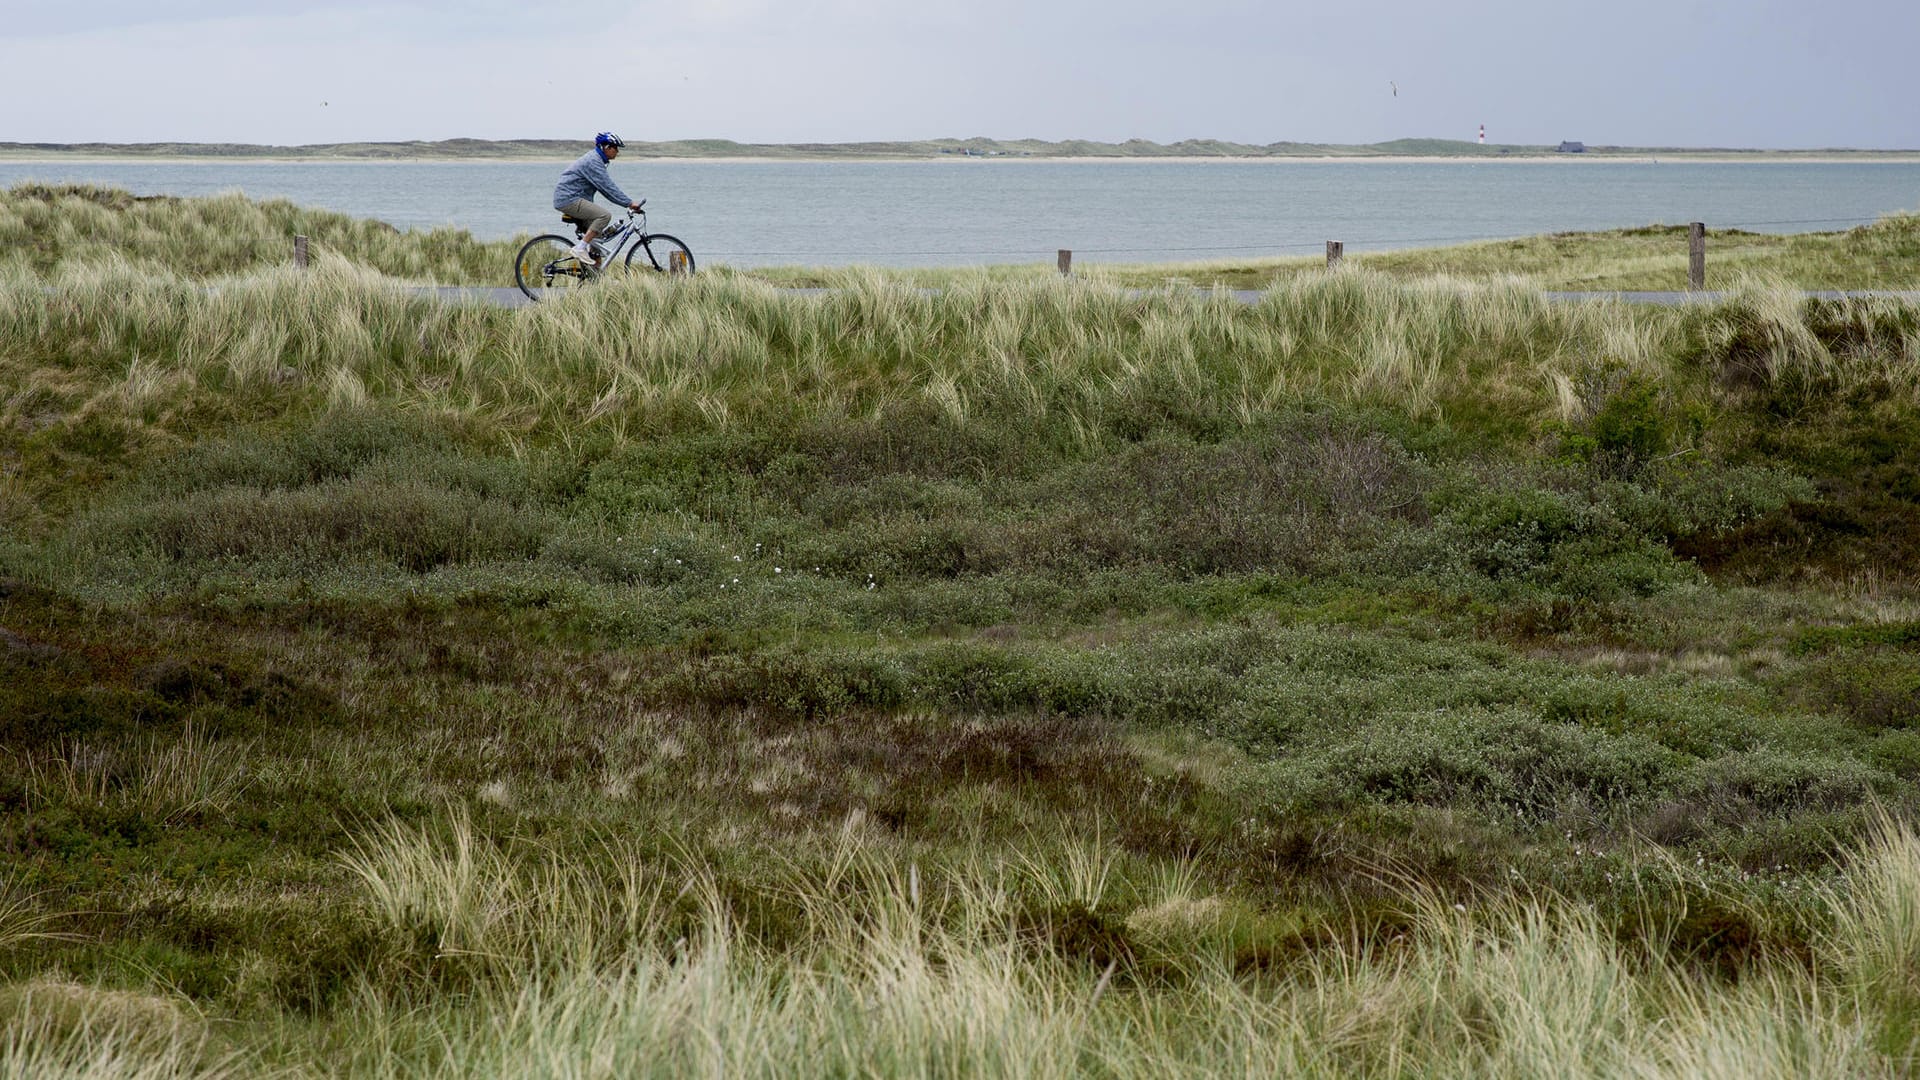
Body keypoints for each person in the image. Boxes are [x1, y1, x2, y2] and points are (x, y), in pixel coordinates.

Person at [552, 132, 640, 266]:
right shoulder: (593, 161)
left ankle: (595, 279)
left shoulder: (597, 160)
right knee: (604, 215)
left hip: (573, 197)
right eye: (615, 148)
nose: (617, 151)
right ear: (606, 147)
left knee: (597, 241)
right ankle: (580, 248)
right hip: (568, 199)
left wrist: (626, 203)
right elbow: (608, 188)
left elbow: (605, 189)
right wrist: (629, 203)